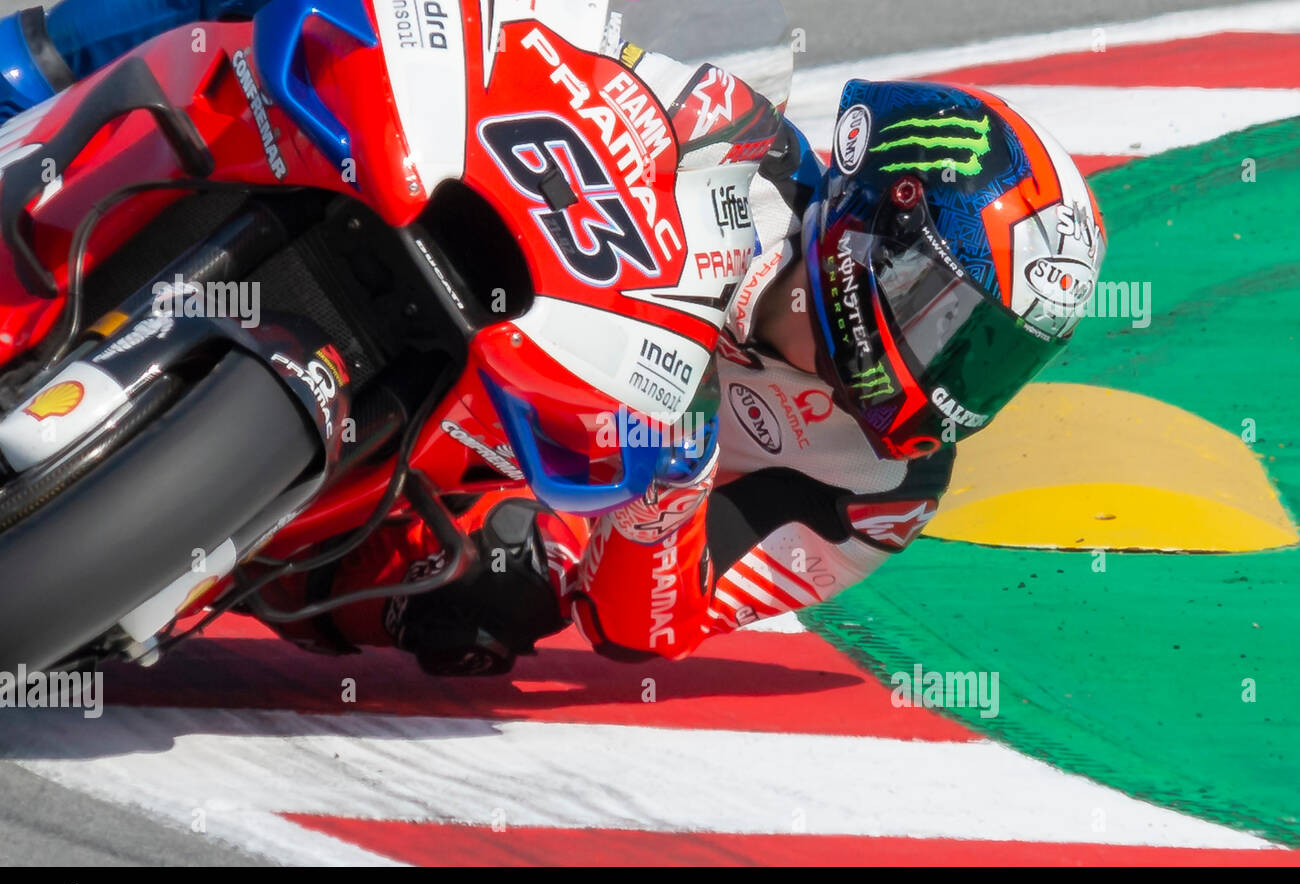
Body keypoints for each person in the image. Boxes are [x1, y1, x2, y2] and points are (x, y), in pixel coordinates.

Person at [0, 1, 1106, 674]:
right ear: (885, 219)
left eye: (988, 355)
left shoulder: (881, 487)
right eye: (949, 320)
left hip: (501, 461)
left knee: (504, 577)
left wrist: (665, 500)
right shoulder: (735, 130)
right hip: (471, 250)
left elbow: (653, 627)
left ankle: (177, 553)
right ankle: (31, 66)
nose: (953, 370)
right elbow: (567, 64)